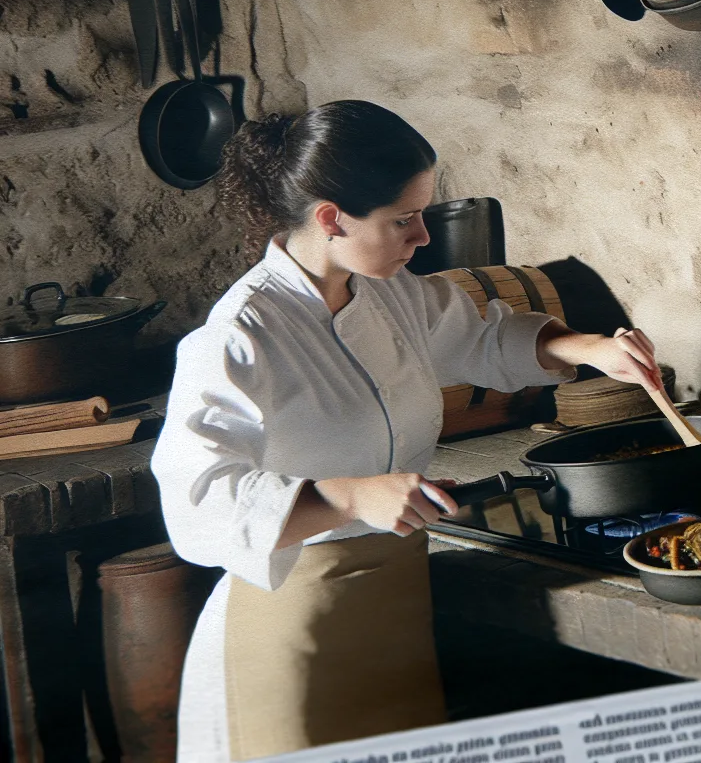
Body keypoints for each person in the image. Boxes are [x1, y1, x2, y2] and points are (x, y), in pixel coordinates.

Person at [151, 99, 663, 763]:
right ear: (331, 218)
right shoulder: (239, 337)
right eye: (404, 220)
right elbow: (198, 504)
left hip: (394, 608)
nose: (423, 237)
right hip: (291, 624)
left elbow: (485, 338)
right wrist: (353, 498)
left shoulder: (390, 293)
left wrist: (590, 347)